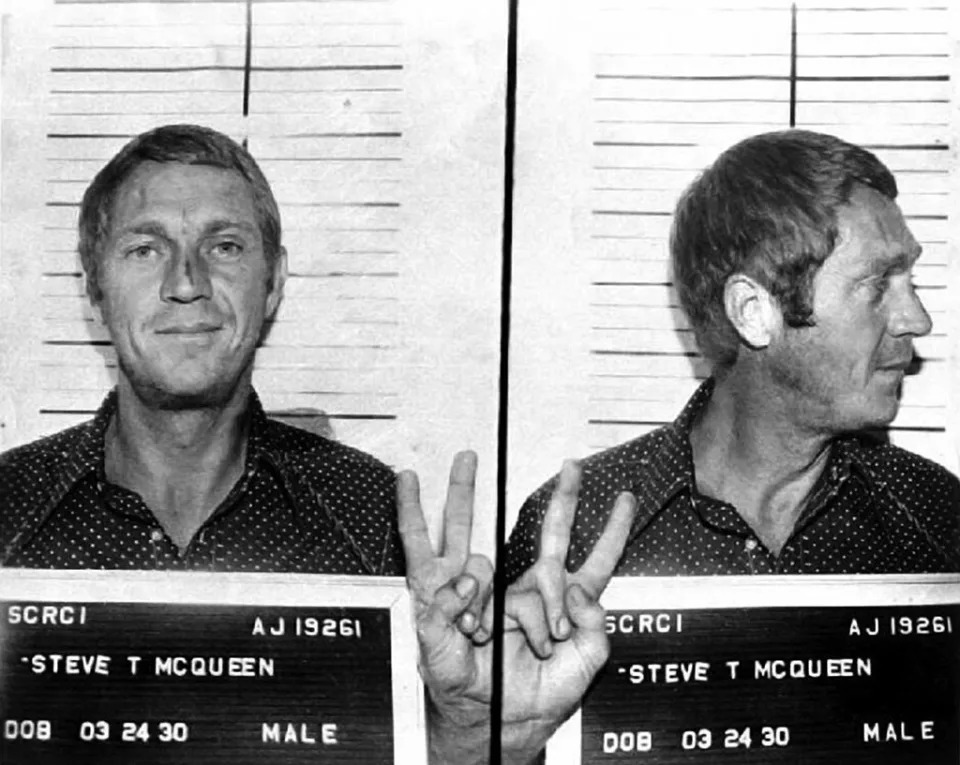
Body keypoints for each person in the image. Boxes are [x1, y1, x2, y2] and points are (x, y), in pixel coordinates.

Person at [0, 123, 502, 762]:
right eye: (146, 249)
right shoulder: (8, 506)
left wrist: (462, 724)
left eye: (226, 246)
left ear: (275, 283)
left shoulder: (373, 518)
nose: (187, 282)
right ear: (93, 286)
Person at [501, 129, 960, 755]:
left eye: (909, 280)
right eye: (879, 284)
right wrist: (505, 743)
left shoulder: (936, 517)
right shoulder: (576, 529)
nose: (918, 319)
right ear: (753, 311)